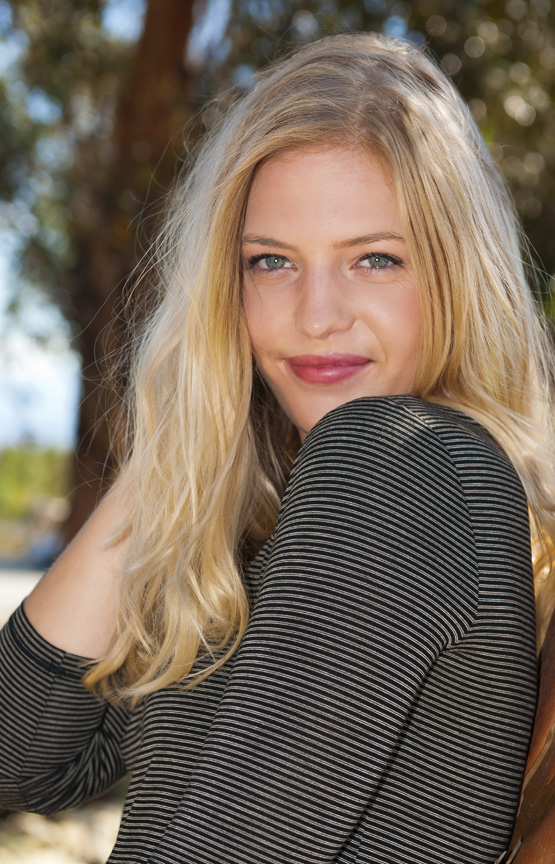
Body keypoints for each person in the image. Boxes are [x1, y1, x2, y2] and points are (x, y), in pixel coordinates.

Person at [0, 31, 554, 864]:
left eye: (375, 259)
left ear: (455, 277)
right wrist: (189, 433)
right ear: (222, 289)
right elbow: (22, 754)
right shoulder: (283, 524)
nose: (315, 315)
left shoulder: (405, 464)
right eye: (269, 263)